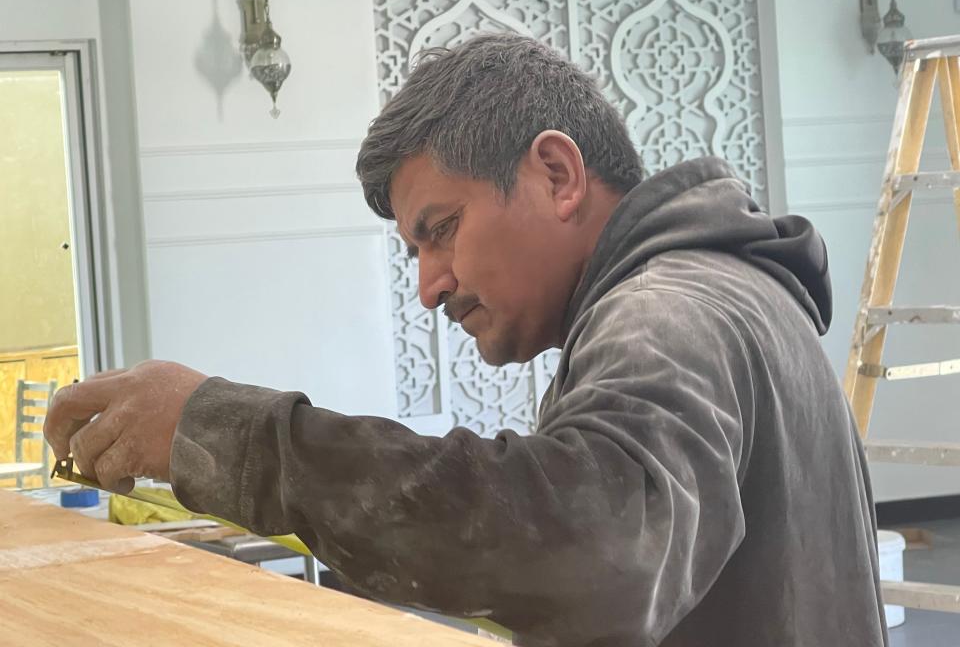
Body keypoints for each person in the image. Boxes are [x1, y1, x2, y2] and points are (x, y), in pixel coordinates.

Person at [45, 33, 887, 647]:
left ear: (556, 175)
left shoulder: (666, 318)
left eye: (440, 230)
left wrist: (226, 434)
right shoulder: (721, 292)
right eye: (415, 251)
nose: (429, 284)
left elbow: (590, 552)